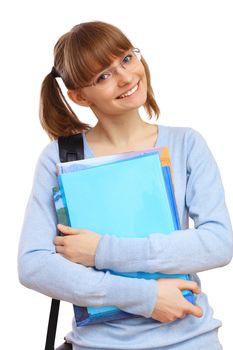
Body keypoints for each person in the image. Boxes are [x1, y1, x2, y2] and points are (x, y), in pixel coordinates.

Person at [18, 21, 233, 350]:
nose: (126, 77)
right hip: (98, 344)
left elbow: (218, 243)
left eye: (127, 59)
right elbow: (34, 264)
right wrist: (145, 297)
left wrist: (103, 251)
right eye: (102, 76)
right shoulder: (61, 158)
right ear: (78, 96)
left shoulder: (186, 144)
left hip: (190, 340)